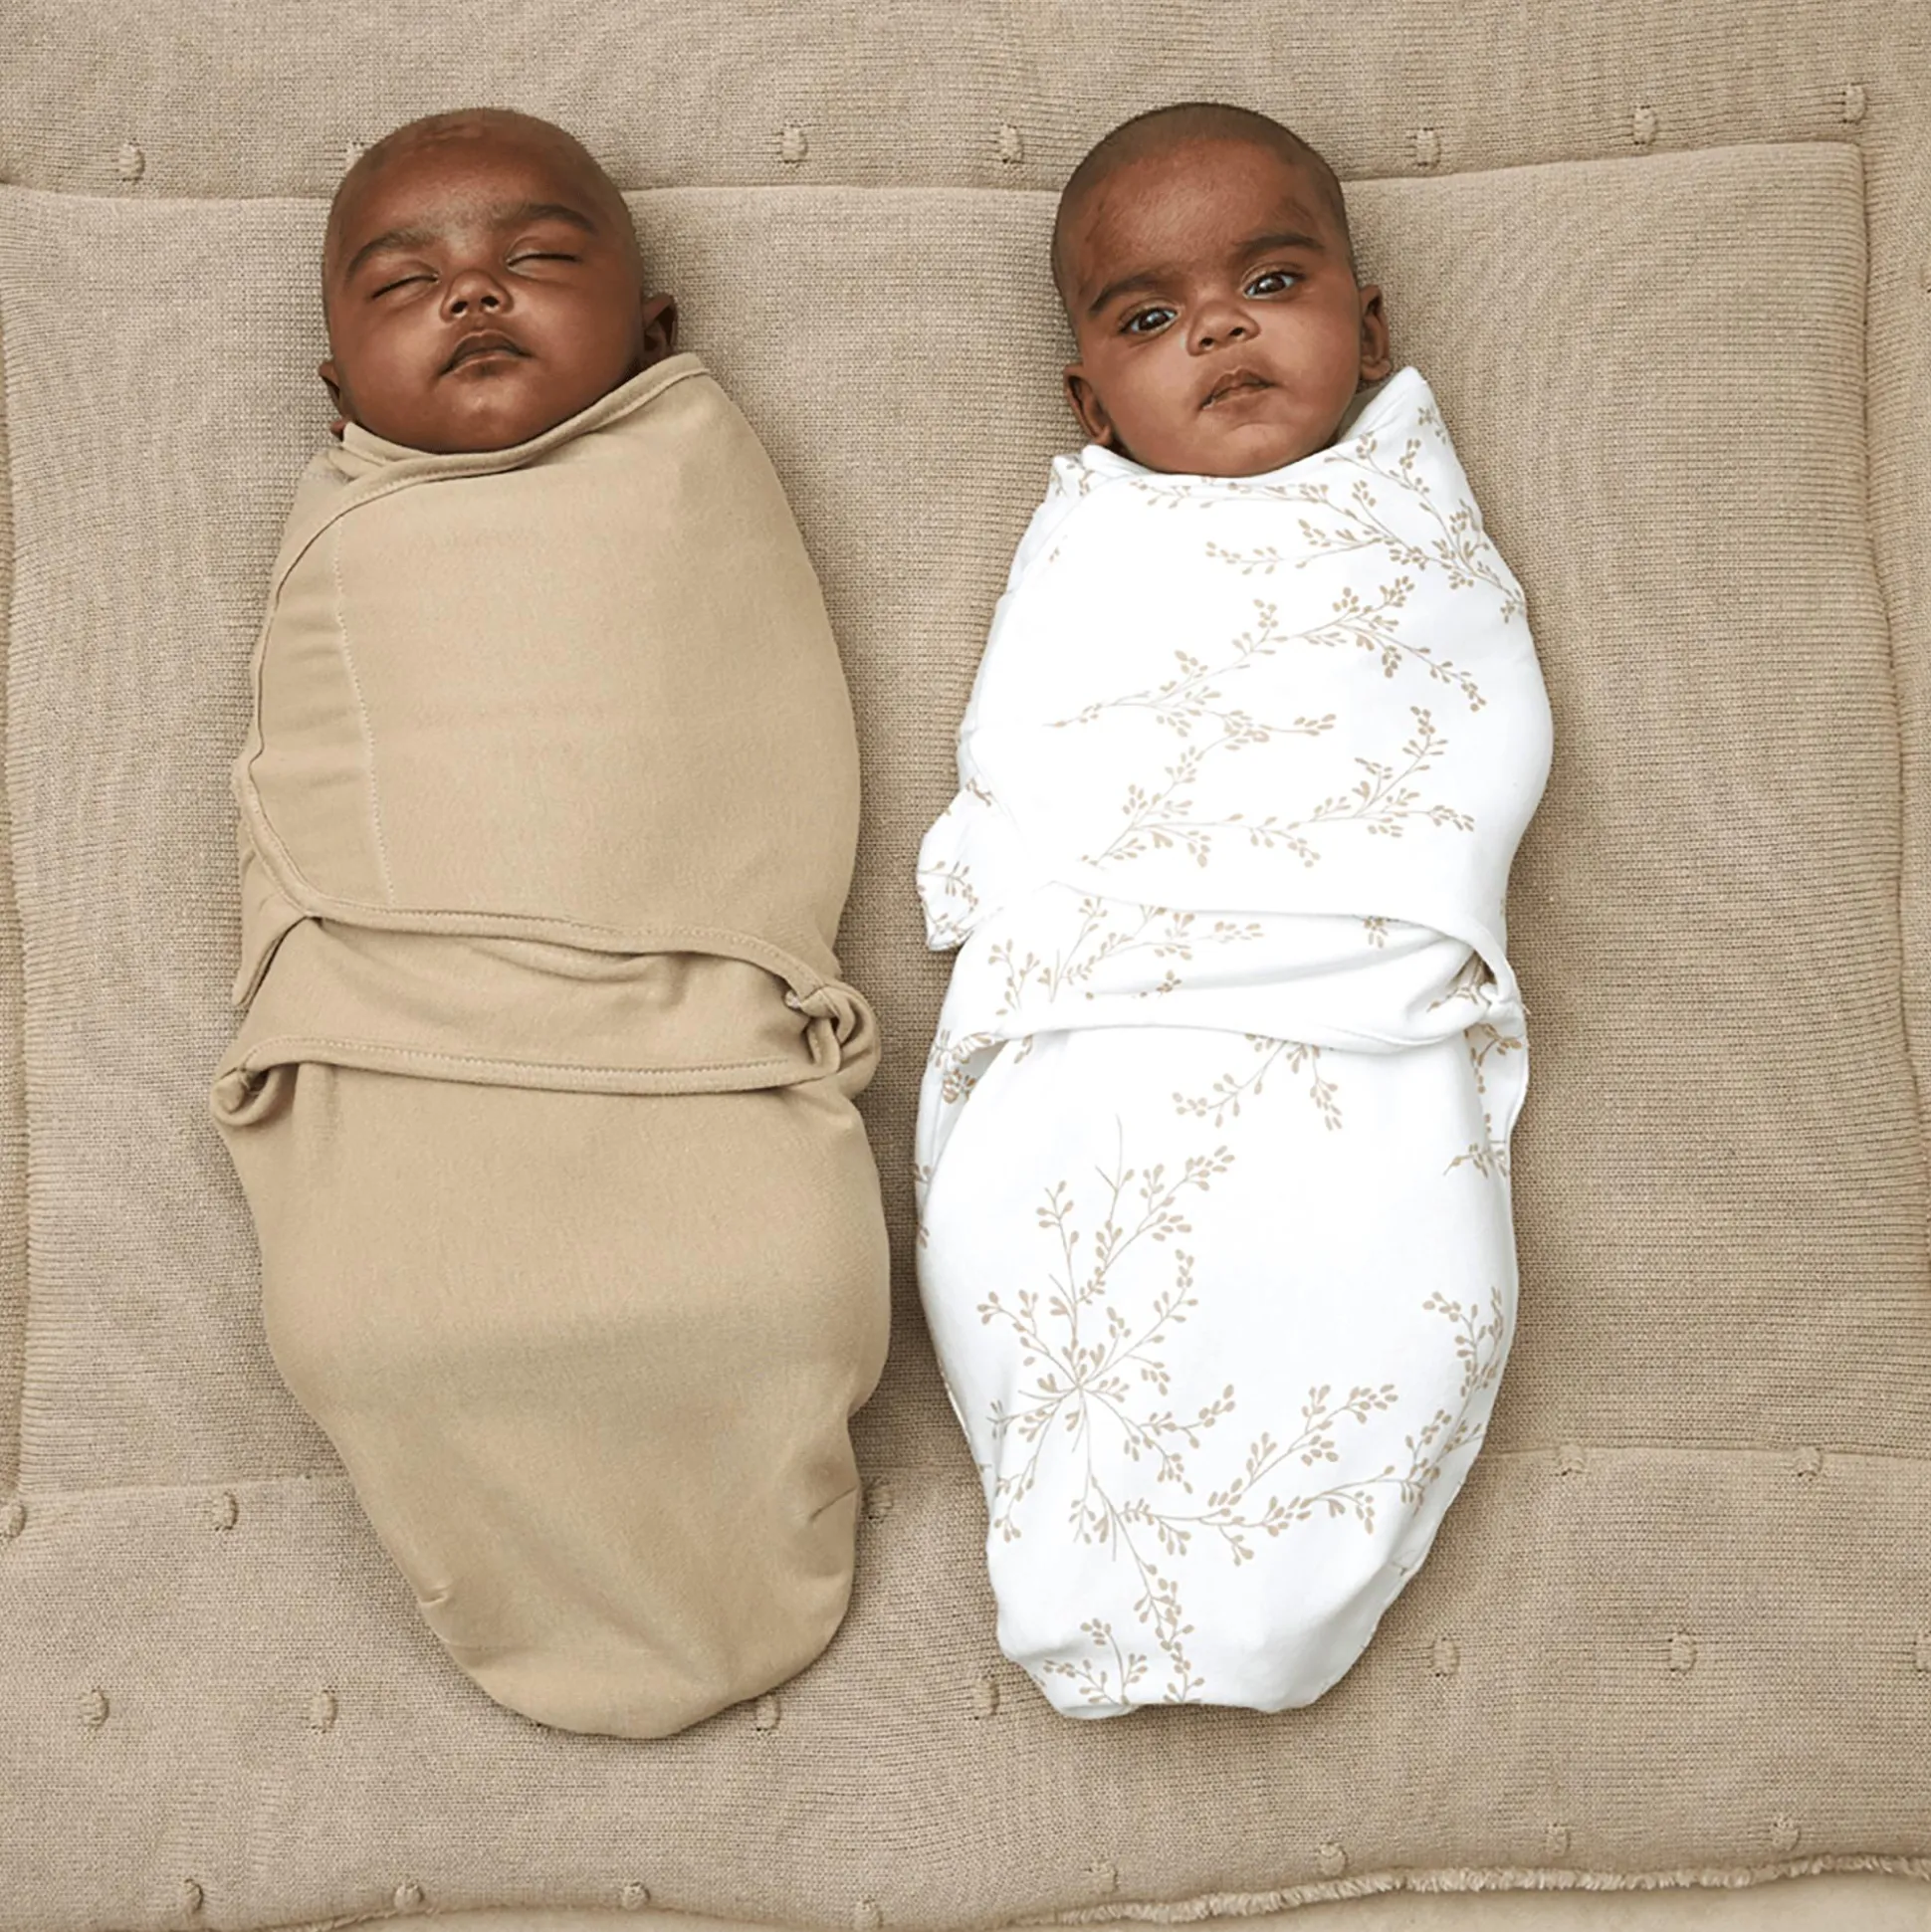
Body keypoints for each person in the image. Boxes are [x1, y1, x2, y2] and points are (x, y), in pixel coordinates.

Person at [211, 108, 890, 1739]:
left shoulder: (692, 480)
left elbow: (752, 747)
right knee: (380, 1325)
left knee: (777, 1287)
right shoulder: (351, 533)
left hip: (694, 1037)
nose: (472, 292)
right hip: (401, 1049)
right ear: (334, 390)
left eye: (535, 258)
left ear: (654, 333)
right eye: (406, 283)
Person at [914, 103, 1554, 1717]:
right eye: (1149, 317)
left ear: (1369, 327)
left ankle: (1295, 1585)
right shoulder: (1092, 546)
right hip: (1104, 1005)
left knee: (1383, 1271)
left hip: (1356, 1012)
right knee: (1047, 1244)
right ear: (1091, 401)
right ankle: (1073, 1559)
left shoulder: (1405, 528)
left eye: (1270, 282)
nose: (1218, 328)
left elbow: (1467, 722)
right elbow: (1032, 743)